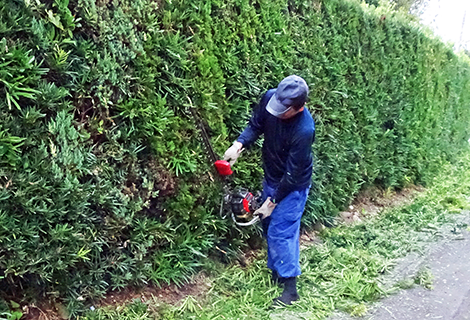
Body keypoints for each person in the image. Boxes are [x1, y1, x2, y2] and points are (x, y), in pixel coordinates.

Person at [223, 75, 315, 306]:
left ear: (298, 108)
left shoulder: (304, 130)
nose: (275, 112)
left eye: (282, 110)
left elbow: (292, 175)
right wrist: (239, 145)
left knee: (281, 231)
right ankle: (277, 272)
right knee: (267, 225)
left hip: (293, 186)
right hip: (271, 176)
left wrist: (272, 201)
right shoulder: (270, 99)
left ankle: (290, 289)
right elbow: (256, 124)